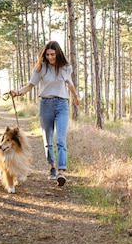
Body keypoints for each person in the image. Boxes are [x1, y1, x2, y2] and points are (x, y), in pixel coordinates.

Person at [10, 41, 80, 186]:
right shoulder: (41, 68)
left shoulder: (65, 68)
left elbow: (70, 84)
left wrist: (76, 98)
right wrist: (17, 92)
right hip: (46, 104)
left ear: (58, 53)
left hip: (62, 104)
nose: (50, 57)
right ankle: (52, 168)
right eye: (47, 54)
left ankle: (61, 171)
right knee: (48, 141)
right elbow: (30, 86)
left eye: (52, 54)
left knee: (60, 139)